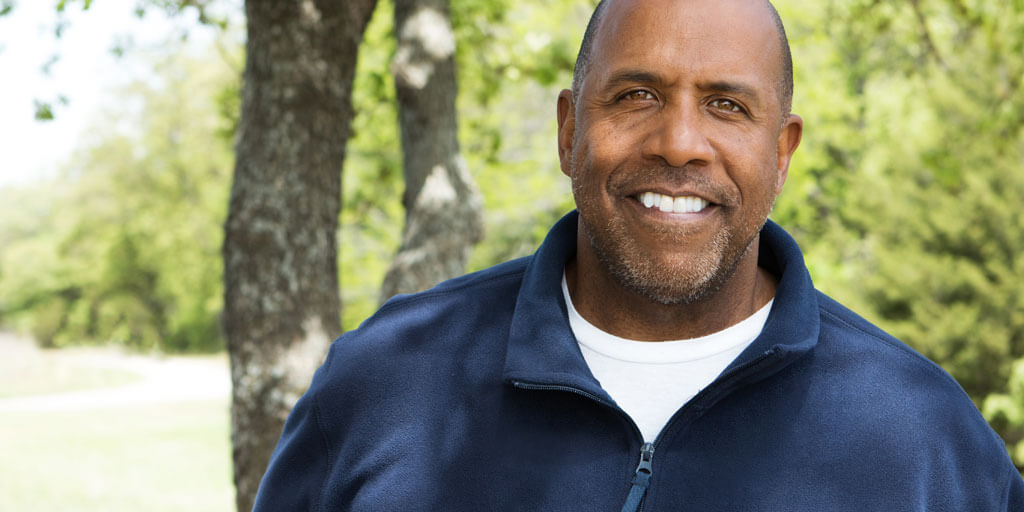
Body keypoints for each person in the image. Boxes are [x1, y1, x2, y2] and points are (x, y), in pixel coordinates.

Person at [252, 0, 1024, 510]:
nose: (680, 143)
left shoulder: (922, 438)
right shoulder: (384, 385)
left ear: (781, 153)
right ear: (568, 131)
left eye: (727, 105)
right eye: (636, 96)